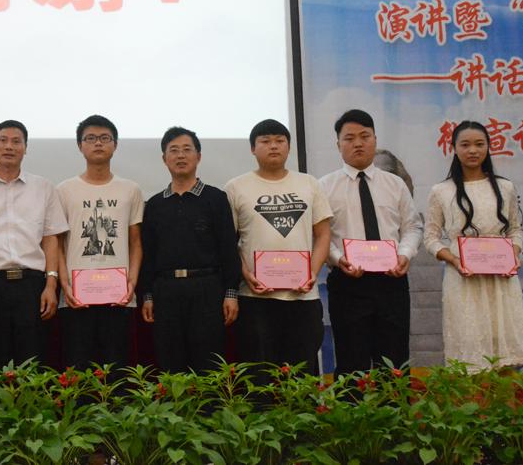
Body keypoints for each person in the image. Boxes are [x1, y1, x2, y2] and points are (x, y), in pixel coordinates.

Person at [318, 110, 423, 375]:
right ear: (338, 144)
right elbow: (319, 234)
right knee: (351, 363)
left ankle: (395, 403)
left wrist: (405, 254)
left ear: (375, 140)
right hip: (347, 282)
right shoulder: (324, 187)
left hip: (391, 281)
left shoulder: (395, 184)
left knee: (395, 362)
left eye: (365, 136)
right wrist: (338, 259)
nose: (358, 143)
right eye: (349, 138)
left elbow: (412, 227)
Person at [424, 120, 523, 371]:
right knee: (469, 354)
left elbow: (515, 230)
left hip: (501, 281)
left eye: (479, 144)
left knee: (505, 357)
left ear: (488, 147)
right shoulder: (441, 191)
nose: (473, 150)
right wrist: (454, 260)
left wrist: (513, 255)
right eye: (465, 145)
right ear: (454, 148)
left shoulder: (505, 188)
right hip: (463, 280)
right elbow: (430, 237)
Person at [225, 119, 330, 376]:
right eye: (265, 141)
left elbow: (323, 234)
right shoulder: (236, 187)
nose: (273, 146)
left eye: (280, 141)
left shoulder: (309, 184)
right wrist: (245, 274)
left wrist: (312, 273)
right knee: (259, 375)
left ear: (289, 147)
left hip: (303, 297)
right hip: (255, 298)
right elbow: (228, 242)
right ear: (252, 148)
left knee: (302, 374)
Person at [0, 120, 68, 369]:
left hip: (32, 286)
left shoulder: (44, 188)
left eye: (16, 141)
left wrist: (51, 285)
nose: (9, 146)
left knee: (33, 363)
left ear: (25, 148)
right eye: (3, 140)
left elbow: (51, 239)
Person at [138, 126, 239, 373]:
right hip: (166, 291)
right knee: (170, 364)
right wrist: (147, 295)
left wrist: (231, 293)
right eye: (173, 150)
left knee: (209, 365)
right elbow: (148, 254)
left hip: (207, 289)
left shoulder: (216, 198)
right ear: (164, 159)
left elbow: (228, 248)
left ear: (198, 156)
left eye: (187, 149)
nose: (180, 156)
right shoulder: (155, 204)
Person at [57, 115, 144, 371]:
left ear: (115, 144)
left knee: (117, 371)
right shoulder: (64, 190)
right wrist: (64, 284)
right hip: (75, 297)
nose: (98, 143)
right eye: (91, 138)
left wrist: (132, 283)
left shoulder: (130, 189)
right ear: (80, 145)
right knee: (77, 371)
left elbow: (136, 243)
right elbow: (57, 244)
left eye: (105, 138)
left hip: (119, 296)